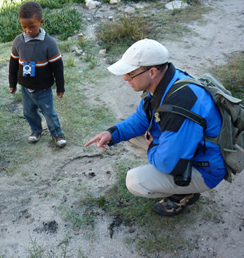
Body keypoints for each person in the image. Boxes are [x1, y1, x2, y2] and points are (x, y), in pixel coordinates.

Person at [85, 39, 226, 216]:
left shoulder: (180, 106)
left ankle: (185, 192)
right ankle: (176, 179)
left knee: (136, 181)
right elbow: (141, 118)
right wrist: (113, 133)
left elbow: (168, 164)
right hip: (189, 149)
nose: (125, 78)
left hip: (205, 169)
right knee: (129, 135)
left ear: (152, 72)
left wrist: (153, 146)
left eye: (130, 73)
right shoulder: (167, 82)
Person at [9, 1, 66, 148]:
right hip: (26, 88)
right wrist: (12, 83)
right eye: (24, 27)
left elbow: (57, 67)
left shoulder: (49, 43)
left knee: (49, 112)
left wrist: (60, 87)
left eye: (32, 27)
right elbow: (13, 64)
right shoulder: (18, 42)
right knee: (28, 112)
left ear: (41, 22)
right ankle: (36, 131)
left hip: (43, 88)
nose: (28, 30)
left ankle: (57, 133)